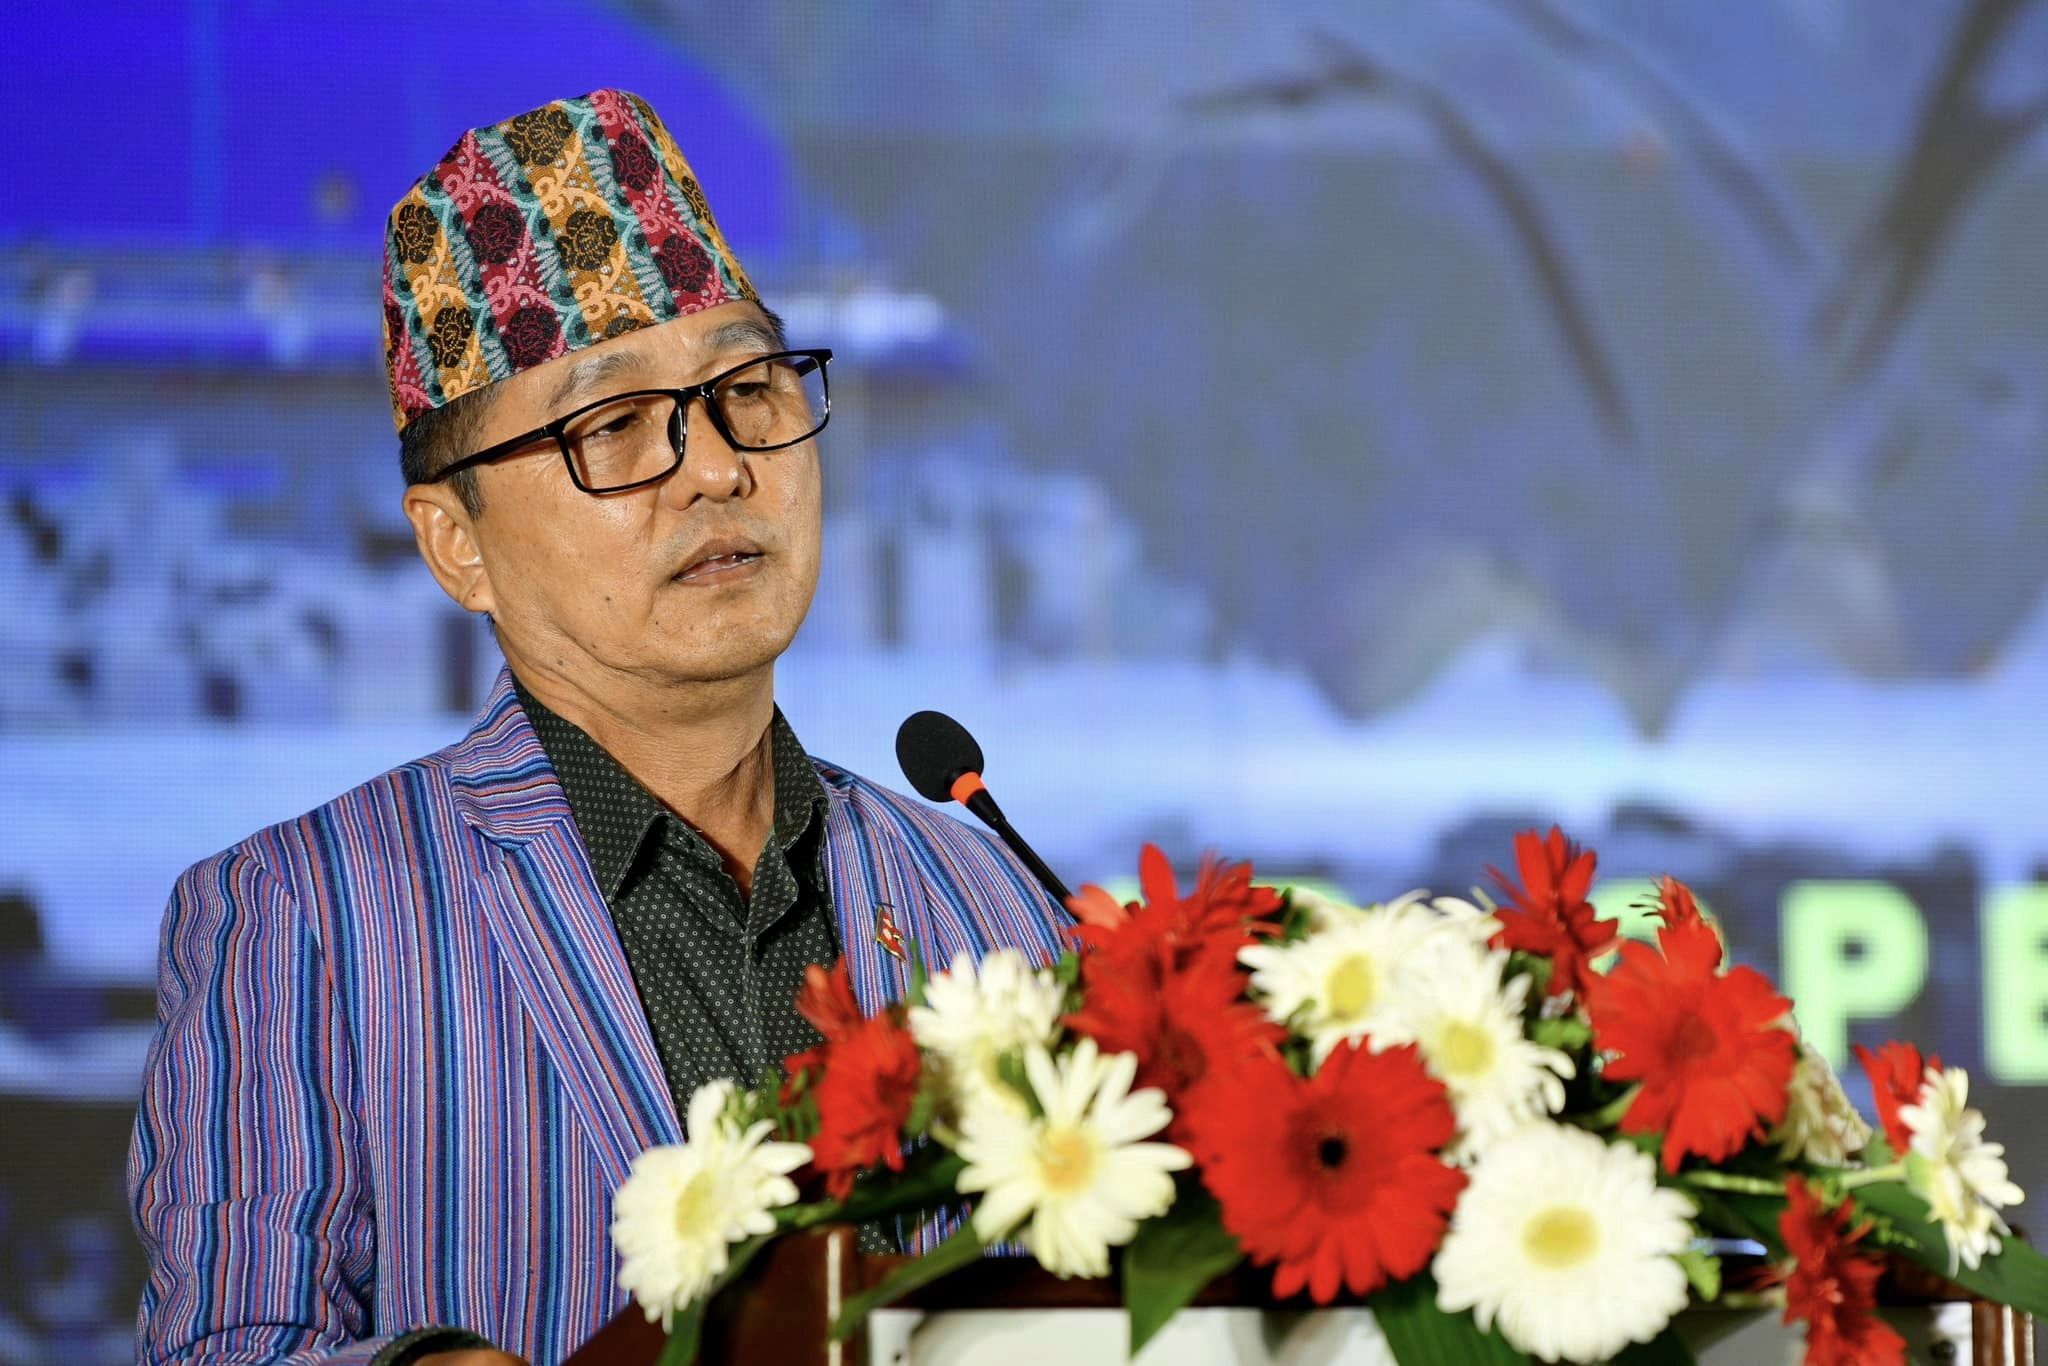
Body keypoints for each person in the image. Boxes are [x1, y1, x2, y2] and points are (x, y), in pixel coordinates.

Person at [127, 89, 1067, 1366]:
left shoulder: (992, 899)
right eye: (612, 427)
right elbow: (225, 1345)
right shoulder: (307, 919)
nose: (719, 467)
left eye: (748, 387)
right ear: (456, 545)